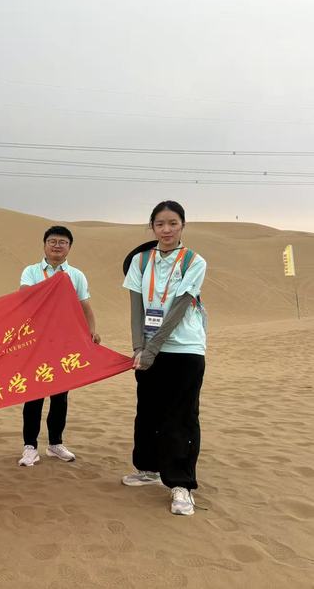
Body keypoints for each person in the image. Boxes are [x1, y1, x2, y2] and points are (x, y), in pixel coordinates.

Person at [121, 200, 207, 516]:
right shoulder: (140, 260)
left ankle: (181, 484)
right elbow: (136, 306)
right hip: (147, 349)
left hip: (184, 348)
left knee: (181, 416)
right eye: (160, 224)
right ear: (152, 227)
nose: (166, 230)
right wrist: (138, 347)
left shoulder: (194, 261)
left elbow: (181, 306)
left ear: (183, 225)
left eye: (173, 223)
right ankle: (148, 468)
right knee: (148, 411)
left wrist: (153, 348)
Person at [17, 225, 100, 467]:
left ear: (69, 247)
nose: (57, 245)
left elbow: (85, 306)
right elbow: (25, 296)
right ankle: (30, 447)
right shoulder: (31, 271)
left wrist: (92, 330)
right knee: (33, 396)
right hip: (36, 342)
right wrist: (55, 289)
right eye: (52, 241)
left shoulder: (76, 275)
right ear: (44, 245)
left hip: (65, 343)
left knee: (60, 396)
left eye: (62, 242)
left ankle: (55, 443)